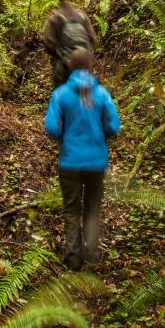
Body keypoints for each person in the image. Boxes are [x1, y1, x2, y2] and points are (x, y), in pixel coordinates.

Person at [44, 47, 121, 270]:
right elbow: (114, 126)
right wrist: (102, 134)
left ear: (70, 68)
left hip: (69, 163)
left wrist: (64, 136)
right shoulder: (102, 93)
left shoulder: (60, 94)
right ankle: (92, 254)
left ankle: (73, 258)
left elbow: (51, 127)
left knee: (71, 209)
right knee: (92, 208)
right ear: (91, 66)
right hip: (97, 162)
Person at [42, 0, 98, 87]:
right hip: (85, 63)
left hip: (65, 67)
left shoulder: (55, 18)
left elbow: (48, 44)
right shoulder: (81, 15)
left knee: (61, 92)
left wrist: (59, 53)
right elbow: (93, 38)